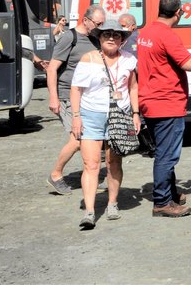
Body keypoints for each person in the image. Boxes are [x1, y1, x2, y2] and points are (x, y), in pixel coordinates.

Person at [137, 0, 191, 218]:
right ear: (178, 13)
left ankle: (171, 193)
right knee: (167, 155)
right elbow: (187, 64)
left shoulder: (146, 32)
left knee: (163, 152)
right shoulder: (168, 35)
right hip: (167, 102)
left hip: (149, 100)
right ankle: (162, 202)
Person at [70, 20, 139, 229]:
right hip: (92, 115)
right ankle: (89, 212)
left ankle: (112, 203)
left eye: (116, 35)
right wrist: (76, 116)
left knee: (113, 163)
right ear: (99, 38)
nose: (111, 38)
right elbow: (76, 89)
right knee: (91, 164)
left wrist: (136, 113)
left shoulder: (128, 60)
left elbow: (133, 87)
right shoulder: (88, 59)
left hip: (120, 115)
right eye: (107, 34)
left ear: (122, 39)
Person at [46, 5, 105, 195]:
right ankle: (55, 174)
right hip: (66, 95)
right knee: (79, 138)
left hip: (87, 97)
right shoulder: (68, 37)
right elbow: (52, 68)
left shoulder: (95, 38)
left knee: (87, 138)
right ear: (86, 20)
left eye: (102, 24)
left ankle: (91, 174)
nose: (99, 27)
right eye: (97, 23)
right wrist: (53, 98)